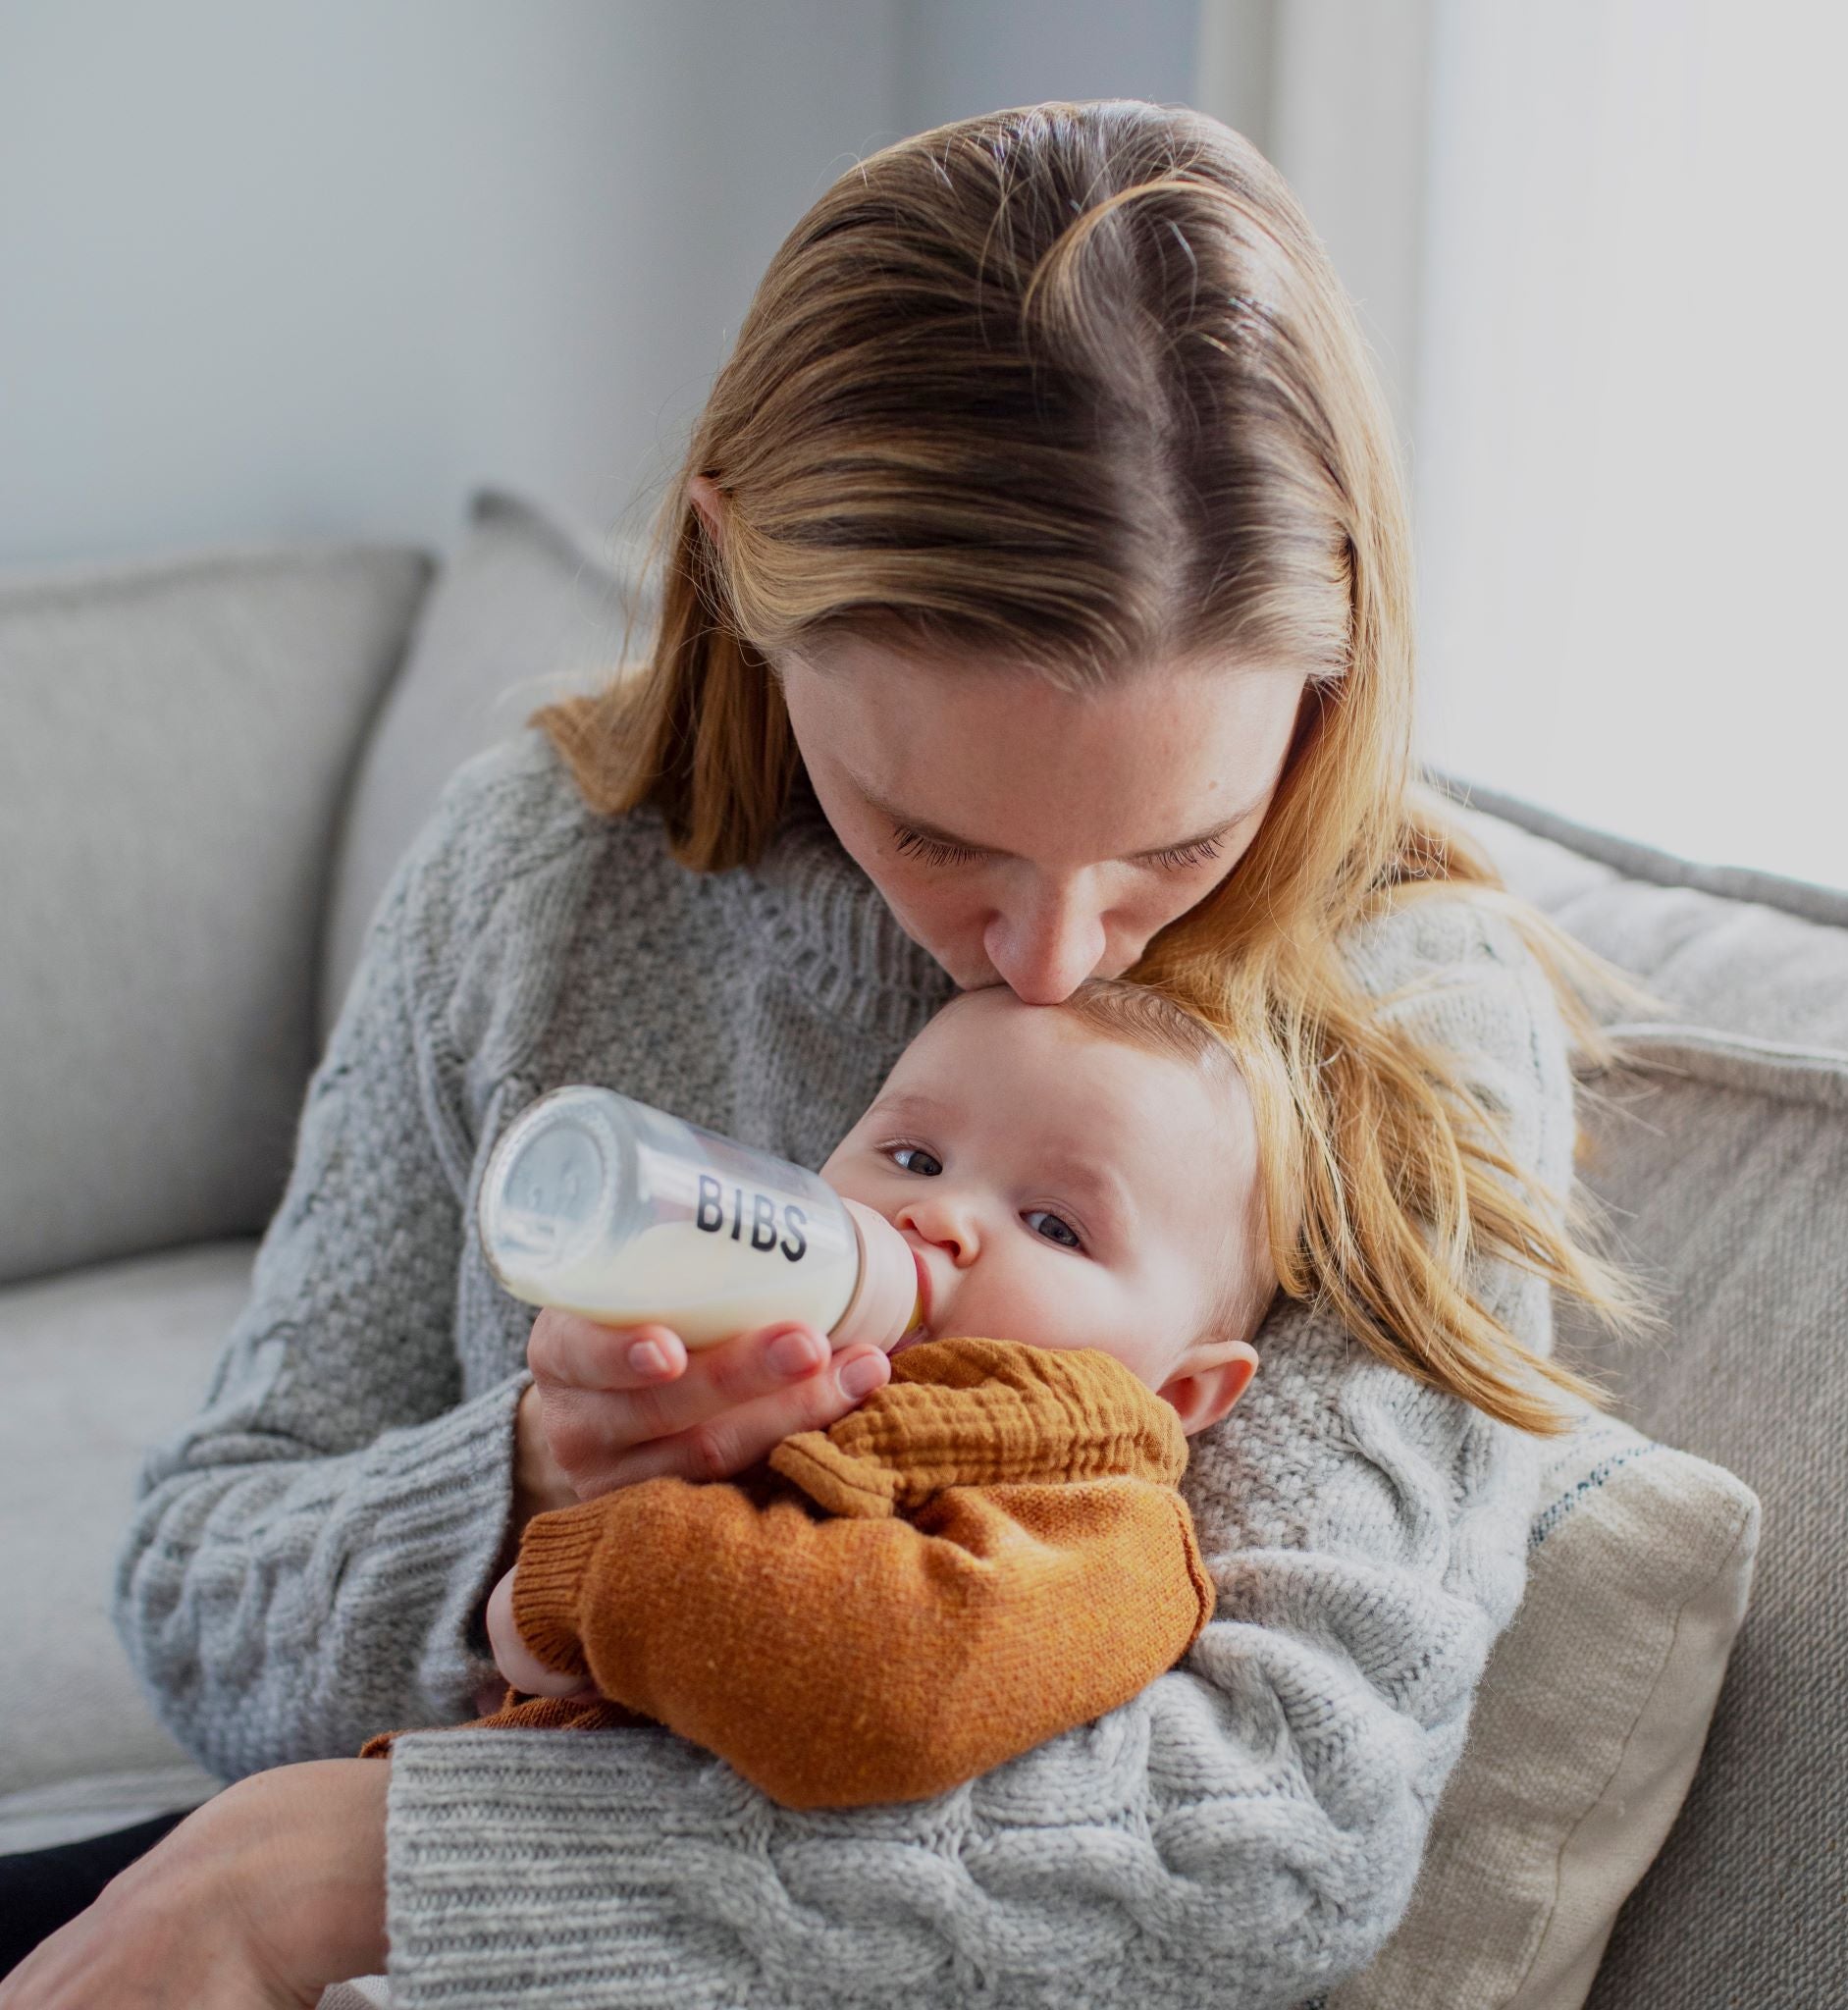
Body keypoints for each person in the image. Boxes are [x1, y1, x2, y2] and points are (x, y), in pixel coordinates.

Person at [0, 99, 1647, 2008]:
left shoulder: (1397, 1022)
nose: (1044, 958)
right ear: (736, 579)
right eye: (934, 831)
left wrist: (389, 1869)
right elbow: (200, 1580)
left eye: (1170, 849)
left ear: (1335, 671)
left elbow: (1276, 1822)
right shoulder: (543, 872)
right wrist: (527, 1486)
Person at [433, 979, 1273, 1811]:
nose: (936, 1214)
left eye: (1054, 1226)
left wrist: (579, 1581)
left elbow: (902, 1686)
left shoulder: (1099, 1525)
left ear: (1182, 1390)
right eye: (914, 1159)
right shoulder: (758, 1377)